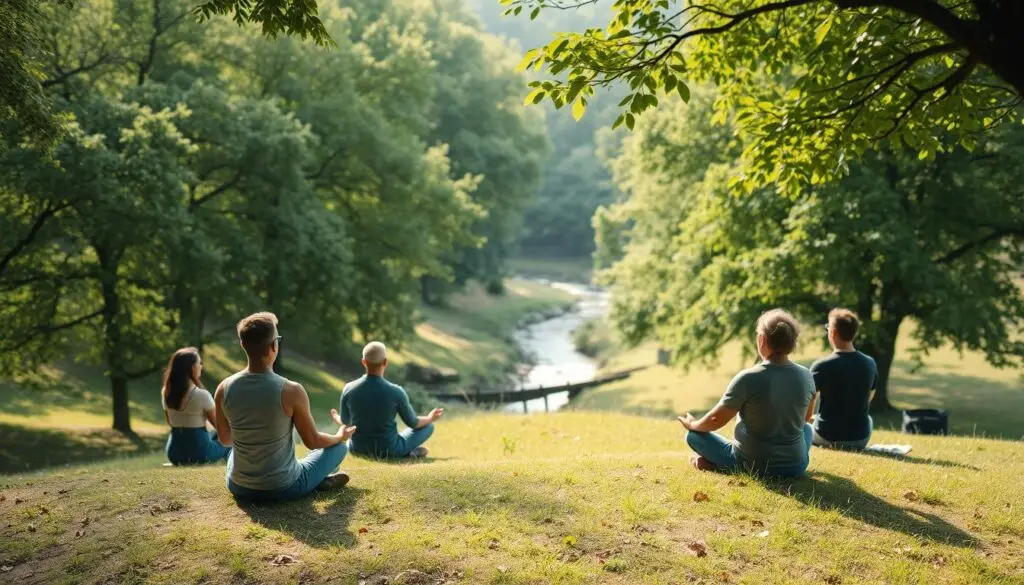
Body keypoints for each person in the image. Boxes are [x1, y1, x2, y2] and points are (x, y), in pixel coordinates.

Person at [214, 312, 356, 501]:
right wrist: (339, 436)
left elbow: (225, 439)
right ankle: (314, 481)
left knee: (235, 453)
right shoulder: (291, 390)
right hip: (284, 487)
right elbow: (312, 441)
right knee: (339, 448)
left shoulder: (223, 389)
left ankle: (315, 481)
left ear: (243, 344)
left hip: (239, 487)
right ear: (274, 345)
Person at [678, 309, 816, 478]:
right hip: (796, 466)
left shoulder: (748, 377)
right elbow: (805, 419)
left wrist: (693, 425)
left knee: (693, 436)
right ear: (792, 342)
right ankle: (723, 465)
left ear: (761, 339)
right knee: (808, 429)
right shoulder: (807, 376)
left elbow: (716, 420)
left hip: (752, 465)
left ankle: (727, 467)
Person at [341, 341, 444, 459]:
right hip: (389, 450)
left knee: (350, 442)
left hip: (357, 449)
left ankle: (407, 453)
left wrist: (337, 418)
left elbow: (345, 422)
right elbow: (413, 423)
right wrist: (430, 418)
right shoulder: (396, 391)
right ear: (385, 362)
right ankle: (406, 453)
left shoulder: (348, 389)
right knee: (428, 426)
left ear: (364, 362)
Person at [810, 308, 878, 451]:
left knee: (809, 425)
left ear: (833, 332)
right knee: (869, 419)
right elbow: (868, 398)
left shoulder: (821, 366)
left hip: (827, 437)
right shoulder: (869, 363)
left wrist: (810, 419)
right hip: (860, 439)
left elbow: (808, 399)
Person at [161, 347, 231, 466]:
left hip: (174, 454)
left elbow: (170, 423)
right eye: (199, 363)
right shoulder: (201, 395)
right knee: (230, 441)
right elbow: (220, 427)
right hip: (200, 454)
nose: (201, 367)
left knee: (214, 435)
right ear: (192, 368)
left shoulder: (166, 393)